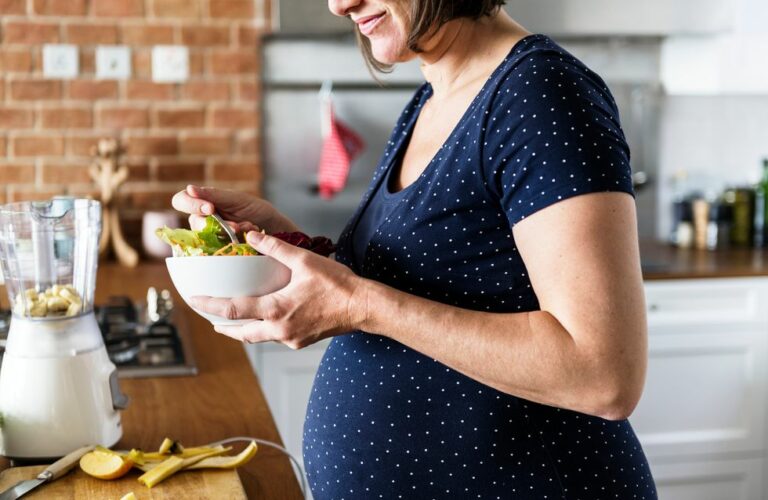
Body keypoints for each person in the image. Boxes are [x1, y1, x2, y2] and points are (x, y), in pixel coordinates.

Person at [172, 0, 658, 498]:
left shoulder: (541, 94)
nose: (340, 5)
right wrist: (282, 241)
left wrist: (361, 305)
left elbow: (605, 375)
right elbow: (419, 285)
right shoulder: (433, 98)